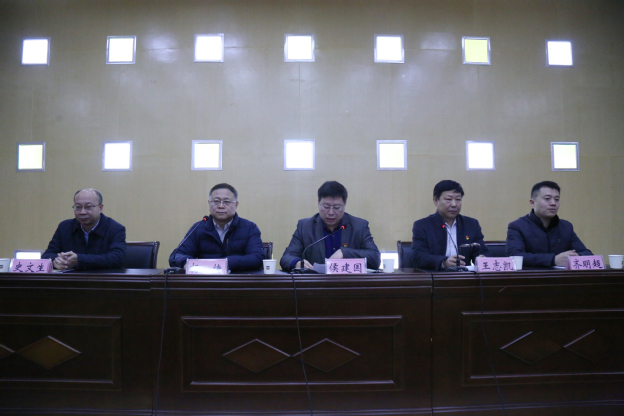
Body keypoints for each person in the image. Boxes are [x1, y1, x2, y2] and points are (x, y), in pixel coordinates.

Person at [280, 181, 381, 272]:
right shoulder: (305, 227)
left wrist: (345, 253)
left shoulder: (359, 226)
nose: (331, 212)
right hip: (316, 284)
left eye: (337, 207)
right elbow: (287, 257)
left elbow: (375, 258)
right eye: (326, 207)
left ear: (345, 204)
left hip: (349, 283)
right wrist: (297, 263)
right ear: (318, 202)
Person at [169, 183, 264, 272]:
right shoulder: (198, 228)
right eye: (216, 201)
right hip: (206, 281)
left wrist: (224, 263)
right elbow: (176, 256)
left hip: (239, 280)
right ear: (209, 204)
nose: (221, 206)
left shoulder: (249, 228)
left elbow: (257, 258)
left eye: (226, 202)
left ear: (236, 205)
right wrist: (186, 263)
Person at [506, 181, 592, 267]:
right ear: (532, 203)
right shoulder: (517, 226)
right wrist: (553, 260)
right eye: (547, 198)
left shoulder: (566, 227)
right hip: (532, 274)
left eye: (556, 199)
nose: (553, 203)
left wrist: (576, 257)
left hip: (562, 275)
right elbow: (515, 256)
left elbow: (586, 253)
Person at [411, 180, 489, 270]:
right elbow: (418, 257)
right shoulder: (422, 225)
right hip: (435, 276)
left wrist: (482, 257)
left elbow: (483, 251)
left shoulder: (471, 224)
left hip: (464, 276)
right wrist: (444, 262)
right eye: (448, 199)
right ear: (436, 201)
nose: (454, 204)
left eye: (458, 199)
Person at [42, 188, 126, 270]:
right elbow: (47, 255)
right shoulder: (65, 227)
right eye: (78, 207)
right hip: (71, 278)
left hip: (102, 278)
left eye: (88, 207)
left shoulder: (115, 228)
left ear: (100, 208)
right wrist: (55, 261)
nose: (82, 212)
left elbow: (117, 258)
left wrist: (79, 260)